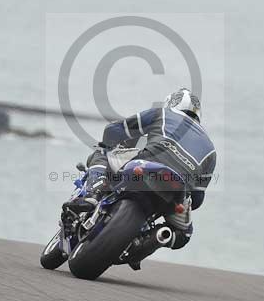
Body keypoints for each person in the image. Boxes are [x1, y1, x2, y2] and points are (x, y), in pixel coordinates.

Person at [70, 87, 216, 252]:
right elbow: (197, 198)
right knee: (183, 234)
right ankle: (155, 238)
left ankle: (92, 193)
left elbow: (115, 129)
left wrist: (110, 144)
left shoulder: (162, 113)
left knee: (101, 153)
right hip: (177, 189)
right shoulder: (211, 149)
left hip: (145, 166)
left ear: (171, 103)